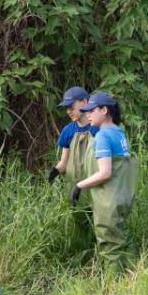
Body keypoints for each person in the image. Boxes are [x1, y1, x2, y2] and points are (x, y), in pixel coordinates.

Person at [68, 91, 138, 269]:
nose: (88, 114)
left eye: (92, 111)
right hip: (123, 196)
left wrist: (79, 185)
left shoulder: (102, 136)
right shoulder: (119, 132)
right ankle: (135, 276)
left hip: (108, 201)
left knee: (110, 247)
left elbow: (105, 172)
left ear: (104, 110)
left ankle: (115, 287)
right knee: (123, 238)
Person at [46, 86, 97, 248]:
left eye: (71, 106)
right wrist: (54, 172)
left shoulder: (97, 126)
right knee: (80, 224)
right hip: (75, 186)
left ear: (84, 102)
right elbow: (64, 162)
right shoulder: (67, 131)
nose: (68, 111)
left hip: (97, 182)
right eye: (66, 108)